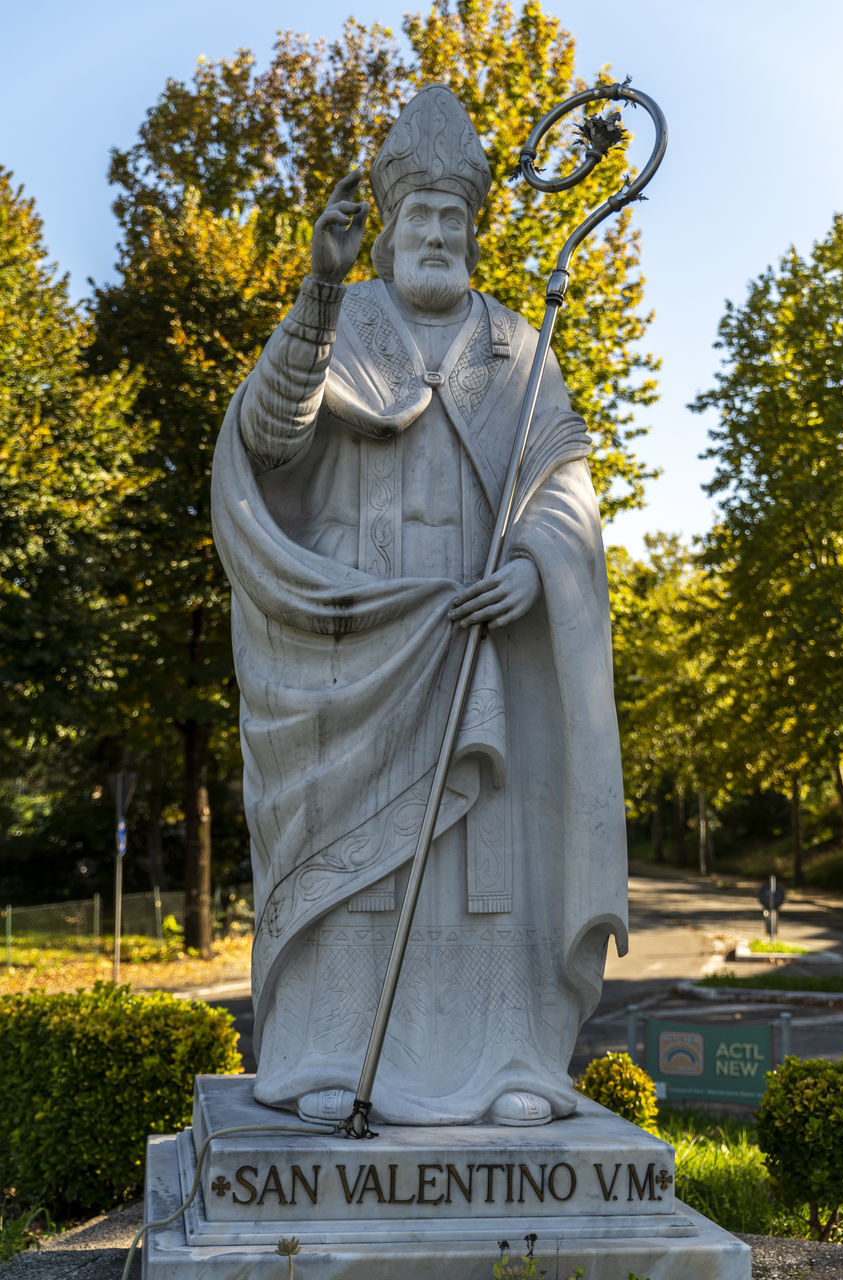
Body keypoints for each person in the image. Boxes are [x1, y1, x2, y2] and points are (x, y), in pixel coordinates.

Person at [212, 84, 627, 1128]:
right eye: (419, 221)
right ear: (389, 232)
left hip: (479, 635)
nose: (437, 235)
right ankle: (324, 1055)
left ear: (472, 235)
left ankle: (506, 1065)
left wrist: (537, 567)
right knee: (358, 861)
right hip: (354, 643)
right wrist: (316, 285)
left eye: (455, 222)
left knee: (485, 863)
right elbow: (267, 437)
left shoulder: (519, 351)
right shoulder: (344, 318)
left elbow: (567, 486)